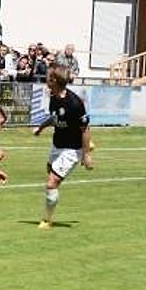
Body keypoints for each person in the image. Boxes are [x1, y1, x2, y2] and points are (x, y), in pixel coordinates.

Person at [32, 65, 94, 230]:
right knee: (50, 172)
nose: (45, 78)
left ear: (54, 80)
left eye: (48, 76)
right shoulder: (53, 97)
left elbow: (85, 129)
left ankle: (47, 220)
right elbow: (55, 118)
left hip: (72, 150)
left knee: (51, 183)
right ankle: (51, 205)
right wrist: (41, 128)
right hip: (57, 144)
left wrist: (86, 154)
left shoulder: (74, 103)